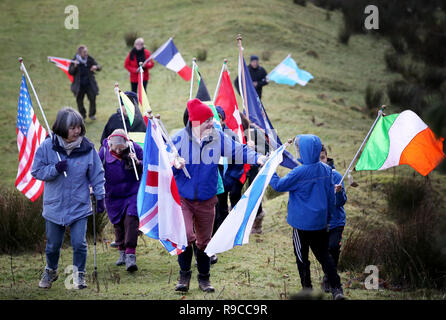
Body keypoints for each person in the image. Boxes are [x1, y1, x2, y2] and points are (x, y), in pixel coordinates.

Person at [171, 98, 266, 293]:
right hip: (184, 200)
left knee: (205, 242)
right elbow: (162, 162)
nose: (212, 123)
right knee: (185, 235)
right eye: (207, 120)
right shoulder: (178, 139)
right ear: (196, 121)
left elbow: (238, 150)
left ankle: (204, 279)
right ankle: (184, 276)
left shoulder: (217, 137)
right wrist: (174, 163)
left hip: (207, 200)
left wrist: (259, 157)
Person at [31, 107, 105, 290]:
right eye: (72, 128)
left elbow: (97, 174)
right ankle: (51, 270)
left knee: (79, 243)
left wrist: (100, 196)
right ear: (62, 128)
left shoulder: (88, 148)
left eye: (78, 127)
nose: (77, 131)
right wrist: (54, 169)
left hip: (80, 205)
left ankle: (79, 275)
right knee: (53, 246)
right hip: (54, 206)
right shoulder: (48, 146)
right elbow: (36, 171)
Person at [269, 134, 345, 300]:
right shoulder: (326, 170)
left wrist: (270, 169)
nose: (297, 152)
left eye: (298, 149)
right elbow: (331, 198)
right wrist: (328, 218)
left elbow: (277, 185)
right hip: (320, 224)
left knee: (302, 258)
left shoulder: (298, 172)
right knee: (325, 257)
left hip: (301, 226)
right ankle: (337, 289)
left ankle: (307, 290)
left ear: (304, 151)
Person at [99, 129, 143, 272]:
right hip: (113, 195)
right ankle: (122, 252)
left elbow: (148, 163)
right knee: (118, 224)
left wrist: (137, 162)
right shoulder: (104, 152)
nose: (117, 151)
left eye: (121, 148)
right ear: (109, 144)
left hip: (132, 192)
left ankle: (131, 255)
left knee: (131, 220)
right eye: (114, 147)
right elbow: (96, 170)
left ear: (126, 143)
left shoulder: (134, 148)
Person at [319, 144, 347, 293]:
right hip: (321, 222)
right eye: (317, 159)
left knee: (333, 247)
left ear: (327, 157)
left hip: (336, 221)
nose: (321, 161)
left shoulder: (336, 176)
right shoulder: (314, 176)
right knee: (324, 251)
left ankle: (328, 278)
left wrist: (338, 192)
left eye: (323, 158)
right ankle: (329, 276)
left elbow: (342, 202)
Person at [68, 45, 101, 120]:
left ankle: (92, 114)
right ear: (79, 53)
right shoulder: (74, 61)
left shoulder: (89, 59)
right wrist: (75, 66)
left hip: (89, 84)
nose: (86, 53)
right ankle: (82, 115)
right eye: (84, 52)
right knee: (80, 101)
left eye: (86, 51)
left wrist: (96, 67)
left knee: (93, 98)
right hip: (79, 86)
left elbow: (99, 66)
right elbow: (70, 72)